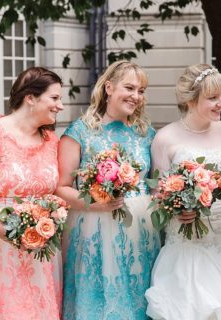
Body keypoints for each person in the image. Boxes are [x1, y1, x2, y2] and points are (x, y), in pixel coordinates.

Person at [145, 64, 221, 320]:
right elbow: (158, 195)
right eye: (212, 98)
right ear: (190, 99)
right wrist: (177, 211)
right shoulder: (165, 138)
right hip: (189, 243)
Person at [56, 60, 160, 320]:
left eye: (141, 90)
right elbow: (61, 188)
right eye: (130, 88)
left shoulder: (146, 133)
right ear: (109, 87)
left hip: (142, 230)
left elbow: (156, 184)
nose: (136, 96)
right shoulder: (80, 131)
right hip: (94, 226)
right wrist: (96, 203)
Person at [0, 67, 64, 319]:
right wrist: (8, 233)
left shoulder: (52, 140)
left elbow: (56, 189)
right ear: (30, 98)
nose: (60, 106)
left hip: (39, 247)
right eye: (54, 98)